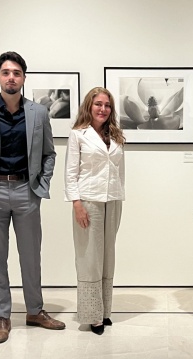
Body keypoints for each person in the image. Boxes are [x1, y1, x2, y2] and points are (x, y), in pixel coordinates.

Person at [0, 51, 66, 344]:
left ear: (23, 78)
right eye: (6, 72)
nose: (11, 77)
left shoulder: (38, 113)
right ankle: (2, 316)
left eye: (16, 73)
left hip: (26, 191)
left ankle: (34, 311)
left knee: (31, 255)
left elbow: (49, 154)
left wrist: (41, 184)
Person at [64, 87, 125, 335]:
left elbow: (120, 172)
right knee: (90, 257)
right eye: (98, 104)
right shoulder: (78, 135)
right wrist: (77, 204)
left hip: (113, 200)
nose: (103, 109)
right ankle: (92, 316)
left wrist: (120, 194)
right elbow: (70, 173)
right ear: (89, 107)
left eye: (107, 105)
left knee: (107, 256)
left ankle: (104, 311)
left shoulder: (117, 136)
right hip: (88, 201)